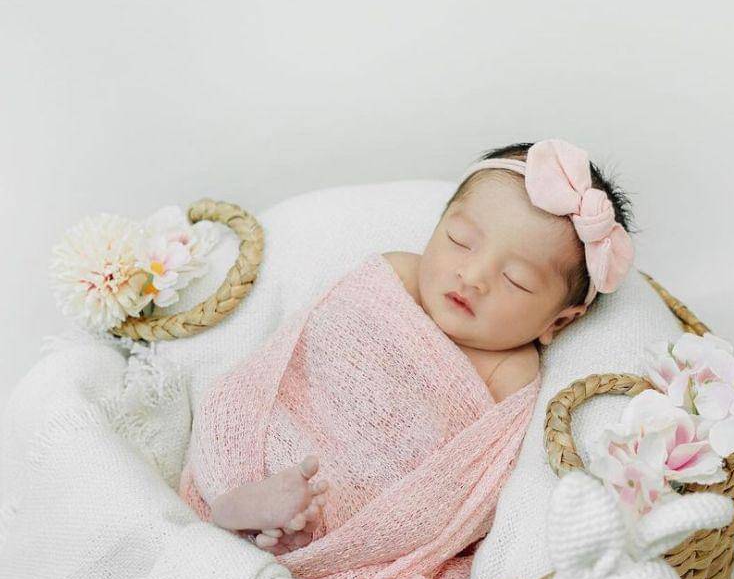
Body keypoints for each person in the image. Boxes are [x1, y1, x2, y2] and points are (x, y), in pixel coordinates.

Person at [199, 138, 637, 557]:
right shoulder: (397, 274)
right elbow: (306, 351)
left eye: (515, 280)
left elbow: (466, 484)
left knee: (350, 500)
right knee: (256, 426)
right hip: (299, 424)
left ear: (557, 322)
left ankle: (299, 528)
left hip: (366, 487)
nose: (472, 277)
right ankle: (247, 494)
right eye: (460, 240)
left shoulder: (511, 369)